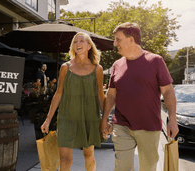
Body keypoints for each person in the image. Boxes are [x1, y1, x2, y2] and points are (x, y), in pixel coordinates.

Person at [101, 22, 179, 171]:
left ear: (131, 39)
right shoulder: (117, 65)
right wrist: (104, 119)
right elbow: (111, 94)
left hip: (148, 126)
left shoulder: (155, 61)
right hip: (122, 125)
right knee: (122, 167)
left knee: (148, 168)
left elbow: (168, 91)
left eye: (118, 39)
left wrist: (172, 119)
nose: (114, 43)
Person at [41, 32, 105, 171]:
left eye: (82, 41)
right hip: (67, 117)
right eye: (75, 42)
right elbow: (58, 94)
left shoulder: (97, 69)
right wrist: (48, 119)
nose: (78, 44)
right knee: (65, 159)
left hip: (90, 118)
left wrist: (105, 119)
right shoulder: (65, 67)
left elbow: (100, 96)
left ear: (89, 46)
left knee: (88, 155)